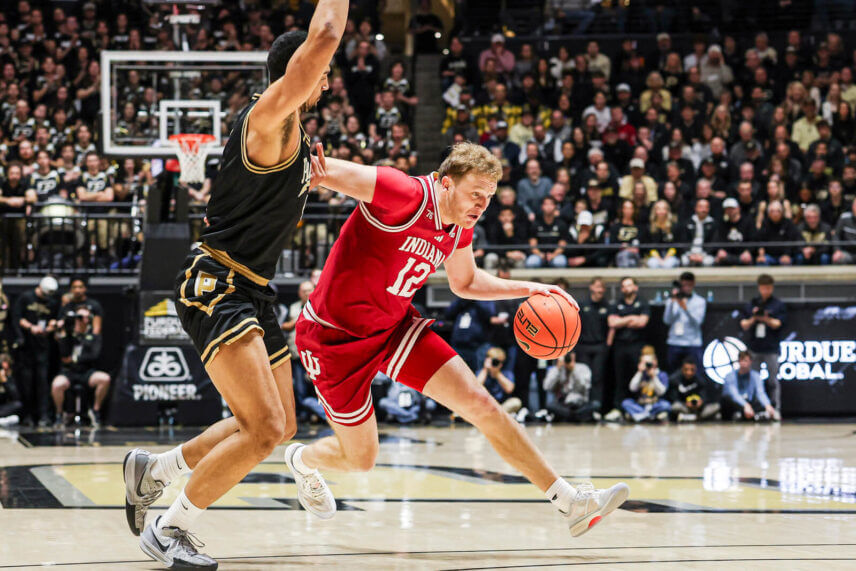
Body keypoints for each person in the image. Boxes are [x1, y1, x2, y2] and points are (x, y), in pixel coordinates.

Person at [289, 142, 629, 539]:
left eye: (488, 197)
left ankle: (570, 502)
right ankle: (302, 460)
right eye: (475, 194)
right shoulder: (406, 193)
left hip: (393, 328)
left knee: (482, 403)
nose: (481, 205)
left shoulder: (460, 225)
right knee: (361, 459)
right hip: (334, 337)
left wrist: (533, 287)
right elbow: (326, 172)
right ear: (446, 183)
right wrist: (299, 167)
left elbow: (465, 282)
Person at [123, 4, 349, 568]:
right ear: (302, 71)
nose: (328, 79)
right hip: (217, 281)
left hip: (252, 288)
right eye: (321, 71)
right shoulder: (269, 116)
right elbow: (323, 34)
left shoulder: (293, 132)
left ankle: (157, 470)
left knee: (278, 423)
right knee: (265, 426)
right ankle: (170, 528)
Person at [50, 307, 110, 428]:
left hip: (86, 371)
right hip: (69, 372)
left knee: (104, 379)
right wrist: (62, 330)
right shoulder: (68, 334)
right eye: (79, 317)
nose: (82, 320)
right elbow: (63, 355)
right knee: (57, 384)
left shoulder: (93, 336)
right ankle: (59, 414)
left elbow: (94, 355)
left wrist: (75, 358)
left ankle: (95, 410)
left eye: (85, 317)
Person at [12, 276, 59, 427]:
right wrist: (31, 327)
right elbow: (17, 317)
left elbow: (54, 319)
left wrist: (51, 326)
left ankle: (43, 416)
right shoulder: (26, 298)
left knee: (42, 383)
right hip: (26, 348)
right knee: (26, 384)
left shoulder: (51, 302)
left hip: (43, 347)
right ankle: (27, 416)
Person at [738, 274, 787, 413]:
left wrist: (766, 318)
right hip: (754, 348)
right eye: (763, 288)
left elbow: (778, 323)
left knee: (772, 381)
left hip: (771, 348)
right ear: (759, 288)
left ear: (772, 288)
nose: (766, 291)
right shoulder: (752, 303)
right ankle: (755, 408)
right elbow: (744, 324)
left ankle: (775, 408)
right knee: (754, 381)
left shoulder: (777, 304)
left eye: (768, 288)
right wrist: (754, 318)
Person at [605, 277, 650, 422]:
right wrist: (631, 318)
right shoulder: (616, 304)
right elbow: (612, 322)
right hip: (620, 346)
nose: (627, 288)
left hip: (636, 345)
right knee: (620, 378)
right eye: (624, 286)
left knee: (637, 377)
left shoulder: (642, 302)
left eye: (630, 285)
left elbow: (642, 322)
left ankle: (636, 408)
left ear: (635, 287)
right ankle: (618, 408)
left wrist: (622, 320)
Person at [574, 277, 613, 416]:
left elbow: (612, 326)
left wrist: (608, 344)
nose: (600, 290)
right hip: (583, 346)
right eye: (597, 286)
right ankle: (584, 409)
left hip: (599, 347)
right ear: (591, 288)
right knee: (584, 379)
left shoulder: (607, 306)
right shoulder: (582, 305)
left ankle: (596, 408)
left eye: (602, 287)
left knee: (598, 378)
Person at [663, 272, 706, 372]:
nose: (686, 288)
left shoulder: (700, 301)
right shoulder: (672, 300)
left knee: (695, 373)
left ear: (693, 284)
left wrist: (685, 309)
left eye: (689, 285)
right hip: (674, 342)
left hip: (693, 343)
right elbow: (666, 320)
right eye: (684, 285)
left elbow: (698, 322)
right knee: (673, 373)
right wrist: (672, 303)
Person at [543, 352, 600, 423]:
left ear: (574, 357)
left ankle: (570, 416)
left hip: (580, 404)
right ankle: (576, 417)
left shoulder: (583, 368)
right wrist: (557, 370)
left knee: (596, 404)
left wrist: (574, 370)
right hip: (564, 405)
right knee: (550, 406)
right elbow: (546, 387)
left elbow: (584, 386)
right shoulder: (558, 369)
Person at [721, 351, 778, 421]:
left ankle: (757, 415)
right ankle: (739, 415)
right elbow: (734, 395)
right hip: (736, 404)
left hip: (749, 403)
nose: (743, 363)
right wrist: (745, 405)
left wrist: (767, 405)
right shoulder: (730, 376)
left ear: (750, 362)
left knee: (765, 404)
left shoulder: (755, 376)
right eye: (741, 360)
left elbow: (760, 393)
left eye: (745, 360)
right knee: (726, 400)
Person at [621, 351, 670, 422]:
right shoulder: (640, 374)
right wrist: (639, 372)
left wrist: (654, 377)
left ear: (655, 362)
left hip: (654, 404)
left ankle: (639, 415)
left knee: (666, 405)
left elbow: (661, 392)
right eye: (644, 362)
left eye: (648, 362)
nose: (647, 365)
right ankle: (650, 416)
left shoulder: (661, 374)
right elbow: (632, 388)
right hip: (641, 405)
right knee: (626, 403)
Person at [667, 358, 720, 422]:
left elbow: (705, 396)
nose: (689, 372)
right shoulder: (675, 380)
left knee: (716, 406)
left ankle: (691, 418)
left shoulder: (700, 380)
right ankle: (696, 418)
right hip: (684, 408)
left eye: (692, 370)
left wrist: (701, 402)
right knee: (675, 406)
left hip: (699, 410)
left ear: (695, 370)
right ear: (682, 369)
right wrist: (686, 403)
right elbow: (674, 398)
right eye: (686, 370)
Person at [476, 347, 521, 415]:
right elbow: (476, 387)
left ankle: (493, 415)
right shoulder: (481, 372)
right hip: (484, 405)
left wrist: (497, 374)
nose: (497, 364)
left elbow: (509, 389)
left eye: (500, 362)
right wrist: (485, 369)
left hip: (501, 406)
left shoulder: (507, 373)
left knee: (516, 402)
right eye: (494, 361)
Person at [0, 353, 22, 427]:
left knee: (18, 405)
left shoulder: (11, 377)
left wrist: (5, 381)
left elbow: (15, 396)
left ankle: (3, 420)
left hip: (4, 408)